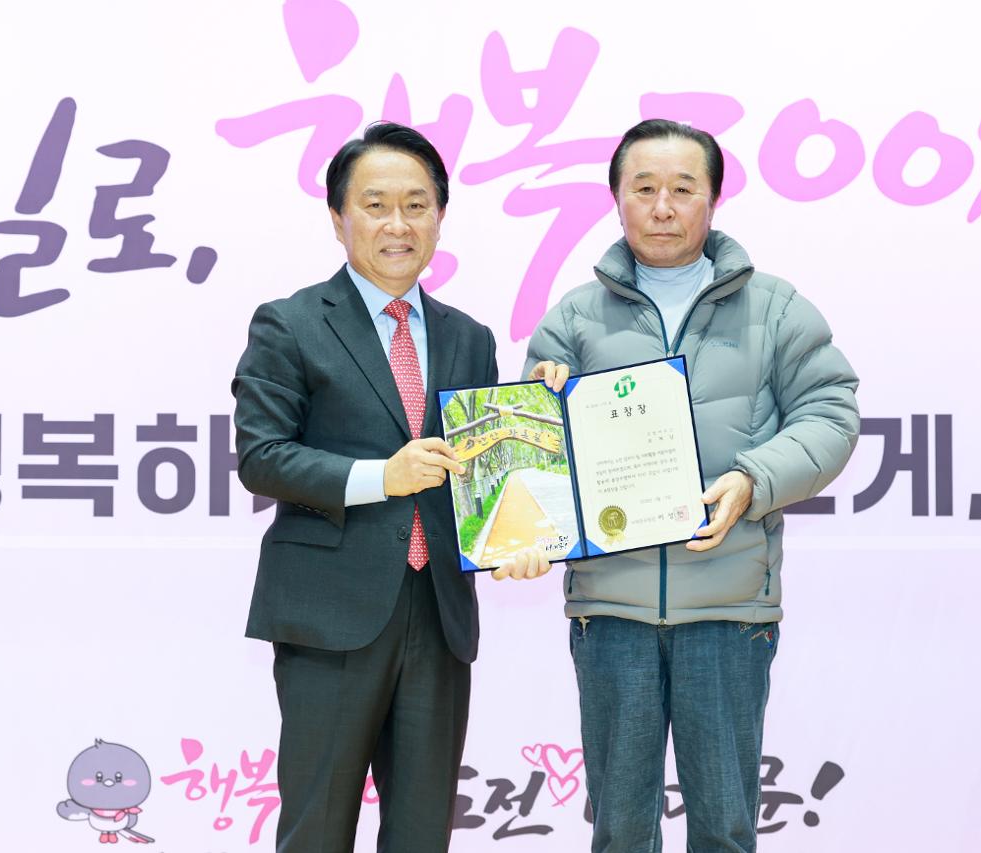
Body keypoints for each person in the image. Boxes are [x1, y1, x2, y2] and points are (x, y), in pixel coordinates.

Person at [521, 119, 860, 852]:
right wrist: (540, 404)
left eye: (683, 188)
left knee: (726, 828)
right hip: (610, 609)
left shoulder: (775, 308)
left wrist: (753, 479)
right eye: (644, 188)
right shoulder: (573, 318)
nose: (663, 207)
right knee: (618, 831)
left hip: (729, 607)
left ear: (714, 199)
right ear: (616, 199)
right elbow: (533, 461)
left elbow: (831, 413)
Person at [231, 121, 546, 853]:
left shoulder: (469, 337)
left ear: (440, 215)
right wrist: (383, 477)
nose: (397, 224)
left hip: (438, 615)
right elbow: (263, 456)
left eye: (416, 204)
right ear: (338, 217)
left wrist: (519, 534)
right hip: (330, 614)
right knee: (316, 829)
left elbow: (478, 470)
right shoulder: (290, 323)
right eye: (375, 205)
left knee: (422, 832)